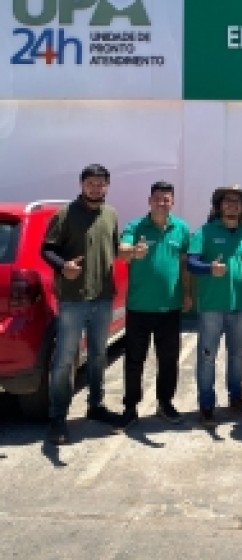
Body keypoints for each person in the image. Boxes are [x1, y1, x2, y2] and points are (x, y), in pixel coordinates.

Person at [41, 164, 119, 445]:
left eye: (100, 183)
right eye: (90, 183)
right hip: (73, 300)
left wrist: (130, 252)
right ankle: (57, 417)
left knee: (98, 355)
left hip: (102, 297)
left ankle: (95, 406)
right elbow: (47, 249)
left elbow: (113, 248)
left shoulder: (111, 214)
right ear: (82, 185)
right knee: (64, 360)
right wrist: (63, 266)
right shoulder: (64, 215)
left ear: (107, 186)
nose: (95, 188)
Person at [118, 181, 193, 430]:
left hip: (170, 307)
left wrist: (187, 293)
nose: (162, 203)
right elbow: (122, 250)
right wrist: (133, 251)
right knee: (134, 360)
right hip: (139, 306)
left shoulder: (181, 228)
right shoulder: (135, 226)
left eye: (166, 199)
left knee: (168, 360)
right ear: (149, 201)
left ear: (172, 202)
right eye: (157, 198)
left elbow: (184, 263)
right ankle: (130, 407)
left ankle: (165, 403)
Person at [187, 184, 242, 426]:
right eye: (228, 201)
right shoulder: (204, 232)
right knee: (207, 357)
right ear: (219, 206)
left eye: (237, 201)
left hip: (241, 307)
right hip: (211, 307)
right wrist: (209, 268)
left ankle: (236, 398)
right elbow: (191, 263)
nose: (232, 205)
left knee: (237, 356)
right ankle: (206, 405)